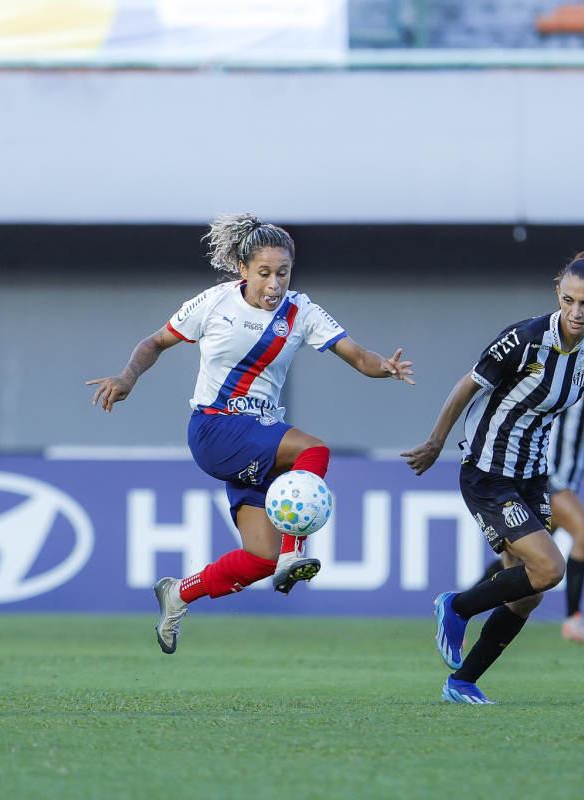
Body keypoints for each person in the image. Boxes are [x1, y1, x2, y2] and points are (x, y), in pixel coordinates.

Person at [86, 213, 414, 655]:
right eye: (264, 273)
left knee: (260, 558)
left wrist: (385, 368)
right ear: (243, 270)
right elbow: (155, 342)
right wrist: (127, 377)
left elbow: (356, 355)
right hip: (215, 428)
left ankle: (179, 593)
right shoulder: (215, 302)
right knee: (313, 450)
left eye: (283, 272)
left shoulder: (302, 311)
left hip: (256, 437)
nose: (274, 284)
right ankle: (294, 553)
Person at [401, 249, 584, 704]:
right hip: (487, 469)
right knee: (550, 568)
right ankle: (456, 606)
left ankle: (462, 683)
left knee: (527, 593)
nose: (576, 312)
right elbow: (467, 385)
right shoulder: (524, 339)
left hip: (534, 475)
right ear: (557, 291)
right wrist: (437, 441)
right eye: (569, 300)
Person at [477, 308, 584, 645]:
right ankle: (573, 619)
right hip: (545, 473)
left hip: (567, 478)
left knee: (520, 562)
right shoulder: (554, 360)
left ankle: (465, 602)